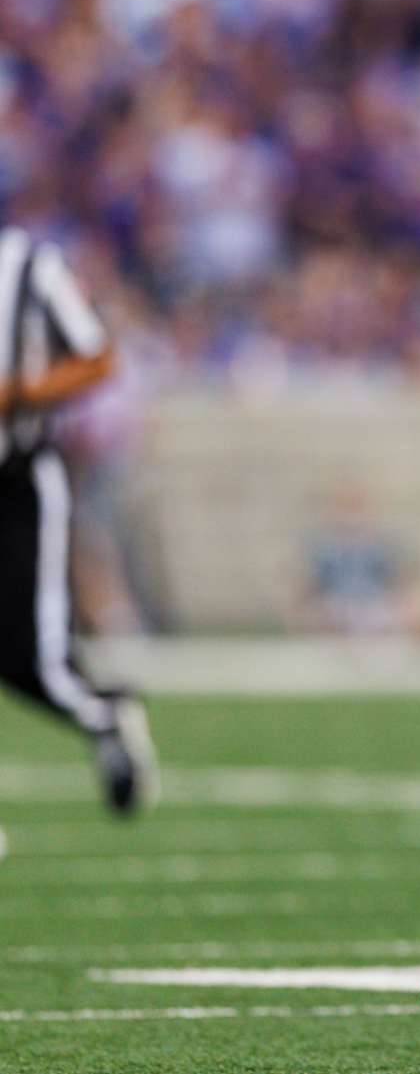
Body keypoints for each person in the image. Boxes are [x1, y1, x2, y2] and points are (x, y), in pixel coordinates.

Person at [0, 227, 157, 861]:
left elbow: (97, 358)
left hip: (15, 480)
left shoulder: (27, 264)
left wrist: (17, 394)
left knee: (31, 655)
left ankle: (102, 714)